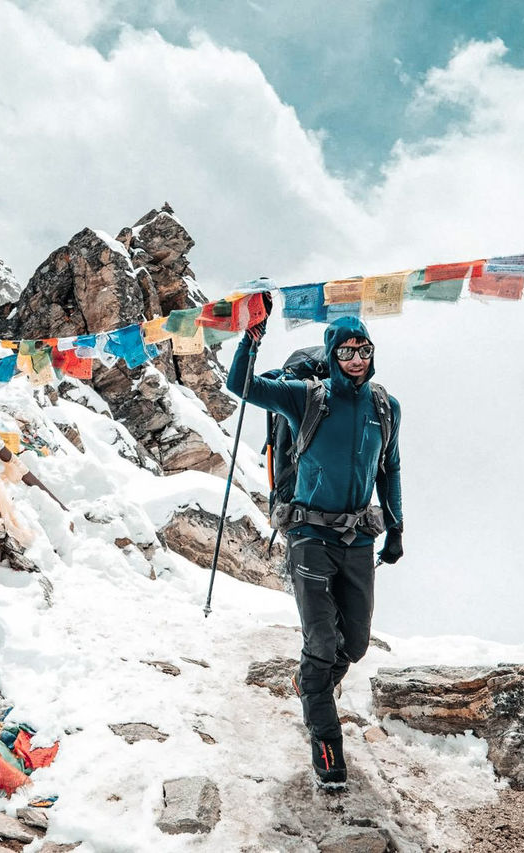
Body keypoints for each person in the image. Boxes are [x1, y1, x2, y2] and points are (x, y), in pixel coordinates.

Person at [226, 310, 403, 788]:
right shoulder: (306, 398)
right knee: (321, 641)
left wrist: (397, 528)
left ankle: (310, 683)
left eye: (363, 351)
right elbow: (240, 385)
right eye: (345, 351)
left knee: (357, 643)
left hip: (358, 538)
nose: (355, 359)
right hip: (308, 536)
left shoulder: (385, 407)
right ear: (331, 354)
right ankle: (327, 746)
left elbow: (390, 469)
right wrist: (251, 339)